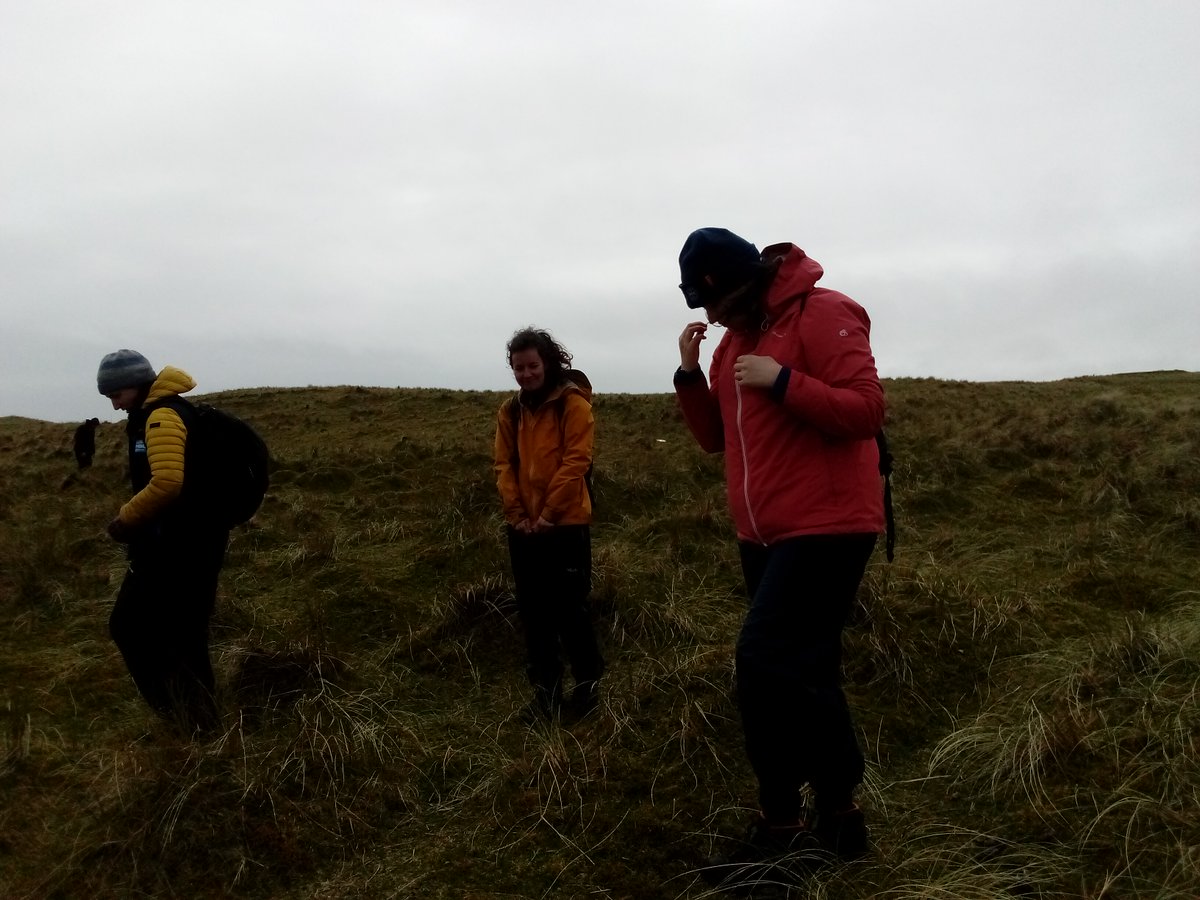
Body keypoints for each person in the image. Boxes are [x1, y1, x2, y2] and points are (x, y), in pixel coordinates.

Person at [672, 228, 885, 865]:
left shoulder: (825, 313)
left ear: (751, 281)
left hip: (830, 525)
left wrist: (784, 379)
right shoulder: (732, 343)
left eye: (719, 302)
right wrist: (688, 374)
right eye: (704, 308)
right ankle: (841, 819)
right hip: (762, 534)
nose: (714, 318)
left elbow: (866, 411)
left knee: (763, 663)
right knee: (806, 671)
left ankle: (780, 828)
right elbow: (715, 439)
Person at [97, 349, 229, 735]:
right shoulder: (159, 412)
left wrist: (125, 518)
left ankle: (185, 719)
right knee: (183, 634)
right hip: (189, 543)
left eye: (116, 394)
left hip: (178, 548)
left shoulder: (162, 416)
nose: (114, 404)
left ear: (135, 385)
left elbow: (168, 483)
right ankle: (199, 723)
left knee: (133, 626)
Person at [493, 327, 604, 721]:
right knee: (534, 614)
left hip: (566, 525)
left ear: (549, 362)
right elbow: (504, 465)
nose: (526, 374)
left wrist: (548, 516)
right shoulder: (510, 410)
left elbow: (577, 462)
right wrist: (518, 516)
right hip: (524, 530)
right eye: (518, 367)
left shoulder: (573, 406)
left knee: (571, 611)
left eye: (532, 365)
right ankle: (546, 695)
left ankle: (587, 690)